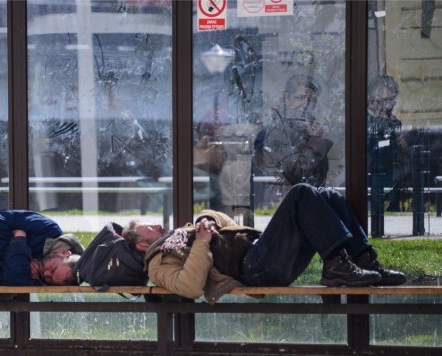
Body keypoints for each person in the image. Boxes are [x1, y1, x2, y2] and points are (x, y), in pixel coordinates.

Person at [143, 183, 406, 304]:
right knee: (300, 193)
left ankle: (363, 261)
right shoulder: (158, 262)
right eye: (149, 229)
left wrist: (206, 220)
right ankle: (337, 266)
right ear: (143, 245)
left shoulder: (180, 233)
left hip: (260, 251)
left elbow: (224, 221)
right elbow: (188, 288)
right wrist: (201, 243)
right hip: (253, 268)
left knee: (327, 195)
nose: (156, 225)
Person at [253, 74, 334, 202]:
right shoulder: (278, 131)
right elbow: (298, 174)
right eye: (300, 98)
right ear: (286, 98)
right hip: (286, 202)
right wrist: (315, 141)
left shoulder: (305, 129)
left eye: (311, 99)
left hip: (303, 200)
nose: (306, 104)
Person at [367, 75, 408, 217]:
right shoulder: (366, 121)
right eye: (384, 101)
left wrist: (402, 145)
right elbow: (370, 147)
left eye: (392, 100)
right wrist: (390, 142)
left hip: (391, 174)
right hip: (371, 174)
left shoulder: (394, 122)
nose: (389, 105)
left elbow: (398, 153)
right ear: (371, 102)